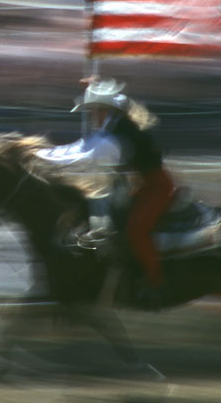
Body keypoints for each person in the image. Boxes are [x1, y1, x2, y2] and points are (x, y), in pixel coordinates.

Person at [36, 77, 175, 307]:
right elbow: (79, 148)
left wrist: (42, 159)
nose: (90, 115)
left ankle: (156, 283)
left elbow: (84, 156)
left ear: (104, 110)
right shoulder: (113, 127)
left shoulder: (116, 135)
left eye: (93, 110)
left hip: (156, 187)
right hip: (138, 185)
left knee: (136, 231)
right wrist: (42, 154)